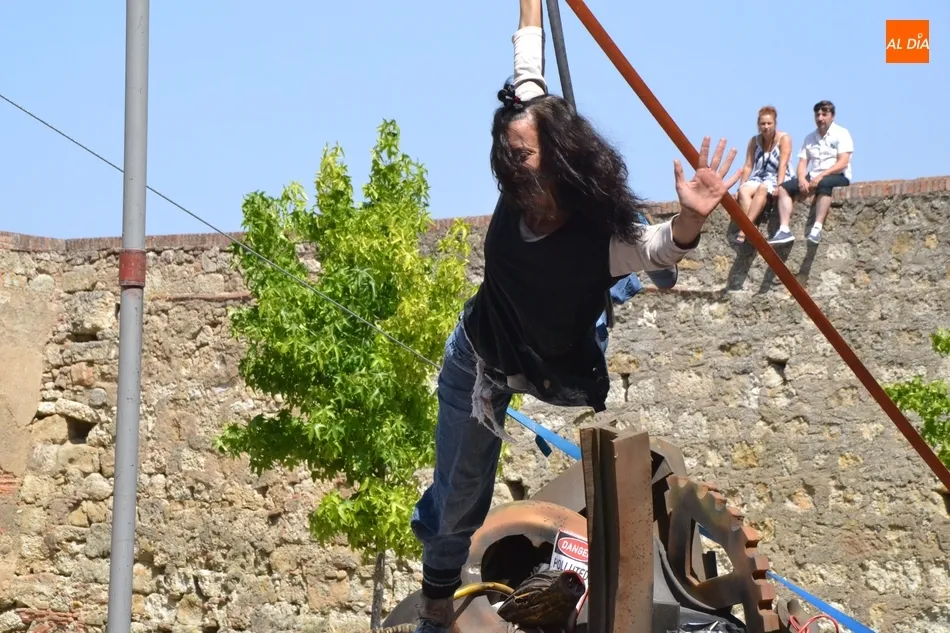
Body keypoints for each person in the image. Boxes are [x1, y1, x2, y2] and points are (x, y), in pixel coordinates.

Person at [408, 2, 740, 631]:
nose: (511, 167)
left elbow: (656, 246)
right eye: (506, 155)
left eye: (523, 157)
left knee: (626, 262)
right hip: (483, 356)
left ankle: (626, 286)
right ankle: (434, 605)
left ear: (558, 155)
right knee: (457, 503)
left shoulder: (596, 238)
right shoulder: (521, 144)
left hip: (559, 346)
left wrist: (689, 221)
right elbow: (527, 51)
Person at [767, 100, 853, 245]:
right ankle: (784, 229)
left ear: (832, 116)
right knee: (783, 188)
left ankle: (817, 228)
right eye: (817, 115)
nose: (820, 118)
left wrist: (821, 176)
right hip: (813, 175)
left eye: (824, 114)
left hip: (837, 175)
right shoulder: (810, 138)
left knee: (824, 185)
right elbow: (802, 162)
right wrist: (801, 179)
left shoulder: (841, 133)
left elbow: (843, 162)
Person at [734, 106, 792, 244]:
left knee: (762, 188)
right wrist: (741, 185)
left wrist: (779, 185)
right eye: (763, 124)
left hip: (778, 176)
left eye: (769, 123)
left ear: (775, 123)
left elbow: (783, 164)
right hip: (759, 176)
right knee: (743, 191)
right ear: (758, 125)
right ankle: (752, 228)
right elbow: (748, 165)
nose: (766, 127)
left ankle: (744, 230)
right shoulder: (754, 141)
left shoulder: (784, 138)